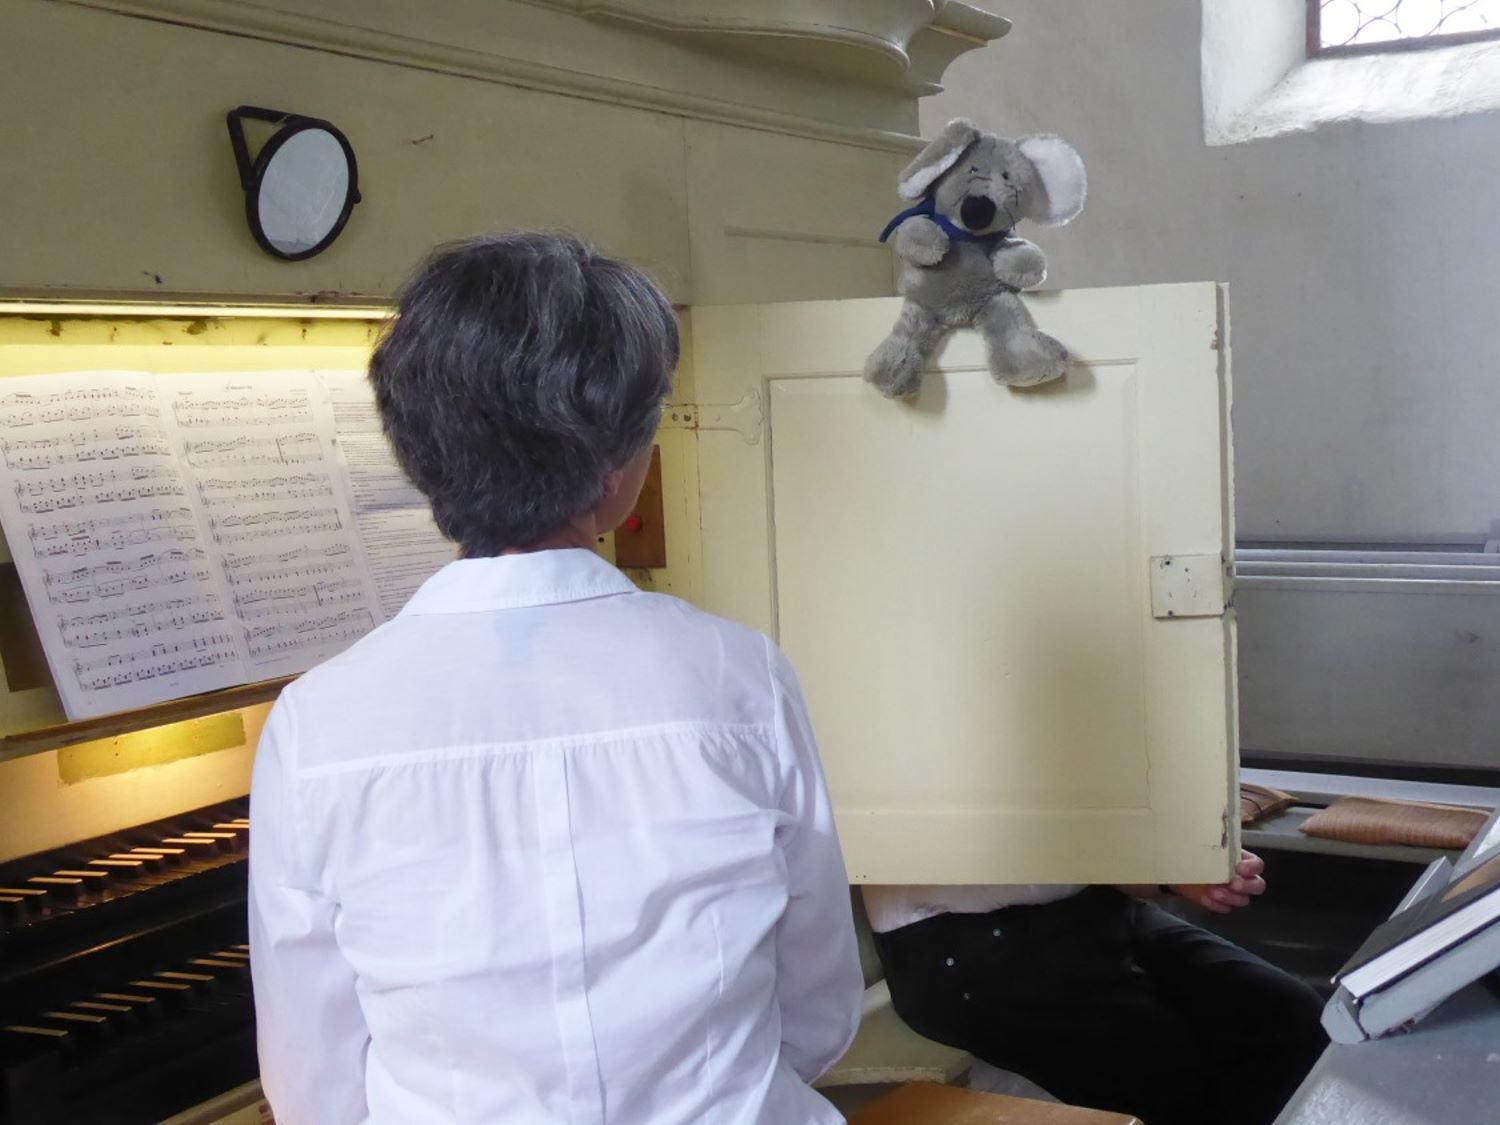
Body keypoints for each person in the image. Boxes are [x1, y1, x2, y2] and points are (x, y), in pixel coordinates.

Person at [248, 232, 863, 1124]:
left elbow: (314, 1088)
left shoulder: (315, 721)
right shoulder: (742, 678)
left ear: (420, 454)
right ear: (618, 473)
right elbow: (818, 1012)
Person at [864, 854, 1327, 1125]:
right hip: (955, 934)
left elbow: (1099, 840)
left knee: (1290, 1014)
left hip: (1089, 904)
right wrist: (1162, 862)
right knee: (1176, 1077)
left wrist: (1181, 865)